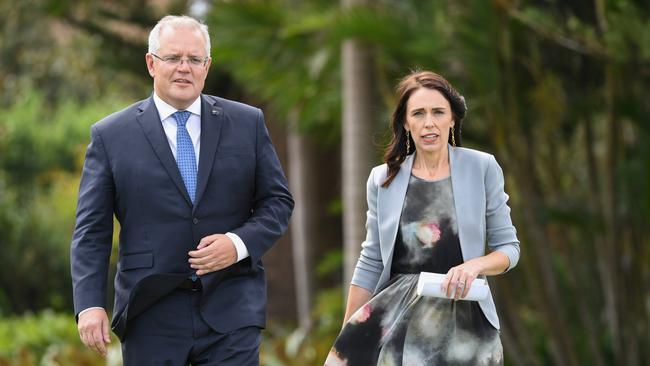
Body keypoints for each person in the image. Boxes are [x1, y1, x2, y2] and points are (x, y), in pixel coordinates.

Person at [71, 15, 293, 365]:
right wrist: (89, 304)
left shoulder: (247, 123)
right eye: (173, 58)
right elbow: (91, 231)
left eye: (194, 59)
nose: (184, 68)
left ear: (207, 66)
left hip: (231, 307)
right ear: (151, 64)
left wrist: (237, 245)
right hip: (150, 311)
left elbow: (277, 202)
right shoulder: (110, 136)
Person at [325, 70, 520, 365]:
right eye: (418, 113)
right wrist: (347, 337)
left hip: (467, 323)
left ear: (452, 118)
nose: (429, 122)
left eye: (438, 112)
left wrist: (474, 266)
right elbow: (371, 260)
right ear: (406, 121)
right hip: (398, 317)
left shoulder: (482, 168)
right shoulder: (382, 179)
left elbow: (509, 248)